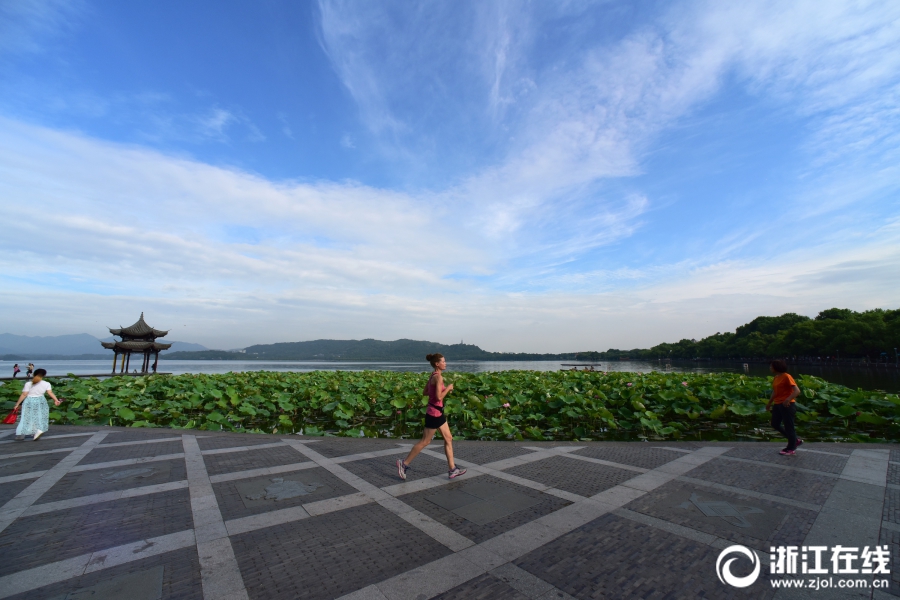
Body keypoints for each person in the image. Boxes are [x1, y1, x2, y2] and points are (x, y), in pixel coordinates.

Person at [397, 353, 467, 480]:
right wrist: (448, 388)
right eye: (443, 361)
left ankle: (452, 469)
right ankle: (404, 463)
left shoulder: (433, 376)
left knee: (448, 438)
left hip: (437, 412)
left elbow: (425, 392)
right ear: (437, 364)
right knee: (425, 441)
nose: (445, 363)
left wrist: (439, 390)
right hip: (434, 414)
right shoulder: (438, 377)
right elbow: (439, 397)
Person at [766, 360, 803, 455]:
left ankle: (791, 448)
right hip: (777, 404)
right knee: (775, 423)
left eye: (771, 366)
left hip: (787, 405)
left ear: (776, 367)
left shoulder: (787, 376)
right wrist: (769, 403)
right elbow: (775, 391)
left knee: (789, 426)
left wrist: (788, 399)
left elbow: (797, 391)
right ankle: (795, 440)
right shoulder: (776, 377)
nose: (770, 368)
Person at [13, 369, 62, 441]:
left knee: (26, 418)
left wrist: (17, 404)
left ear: (33, 374)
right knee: (39, 417)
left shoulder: (28, 384)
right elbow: (50, 393)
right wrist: (56, 400)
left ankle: (21, 434)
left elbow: (24, 394)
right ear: (44, 375)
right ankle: (38, 430)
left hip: (29, 401)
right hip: (41, 401)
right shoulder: (46, 384)